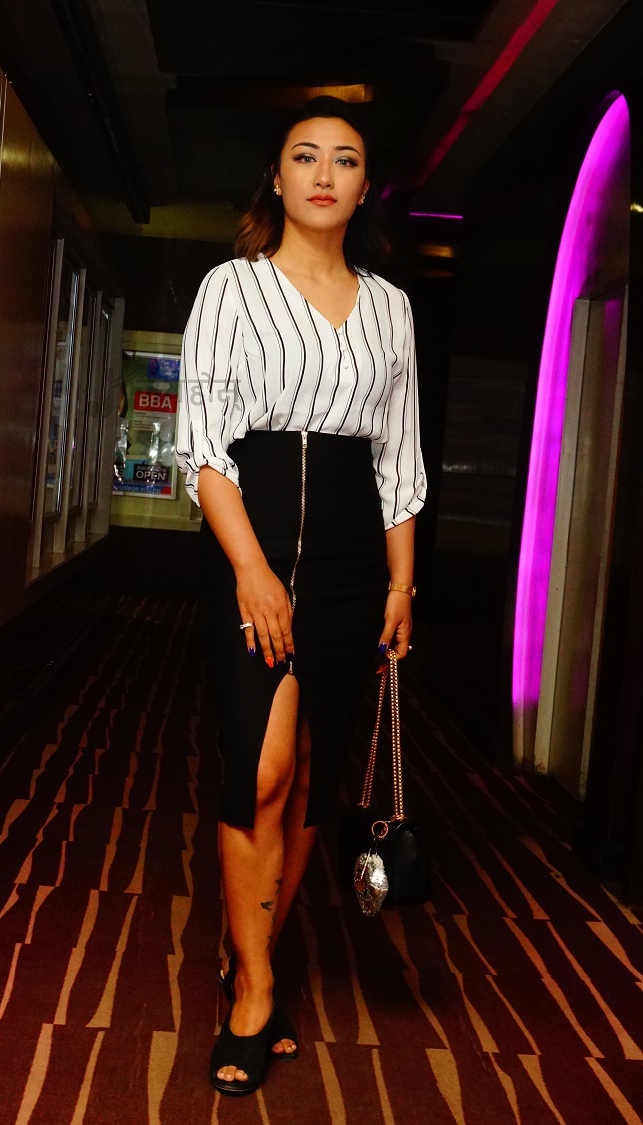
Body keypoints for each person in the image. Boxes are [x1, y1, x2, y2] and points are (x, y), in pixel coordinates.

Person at [175, 95, 426, 1096]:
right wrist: (249, 566)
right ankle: (253, 992)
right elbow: (205, 447)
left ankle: (253, 957)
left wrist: (402, 581)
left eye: (345, 159)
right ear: (276, 180)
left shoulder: (393, 308)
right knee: (262, 764)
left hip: (355, 559)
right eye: (306, 156)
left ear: (365, 188)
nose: (324, 173)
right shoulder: (231, 288)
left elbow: (398, 459)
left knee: (316, 770)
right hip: (256, 536)